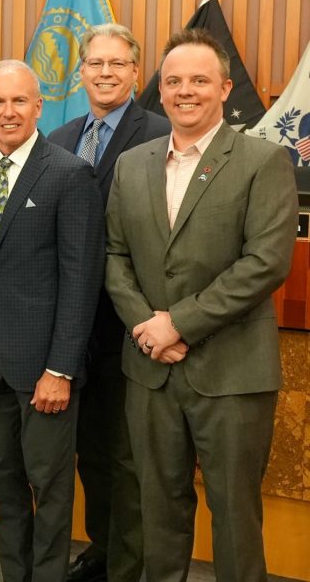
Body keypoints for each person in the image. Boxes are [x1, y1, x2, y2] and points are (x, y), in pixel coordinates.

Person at [105, 28, 296, 582]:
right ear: (158, 91)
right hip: (149, 370)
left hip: (232, 371)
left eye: (199, 80)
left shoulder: (263, 160)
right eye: (173, 81)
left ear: (225, 88)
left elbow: (265, 263)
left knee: (235, 516)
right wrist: (146, 324)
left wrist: (179, 323)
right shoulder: (131, 164)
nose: (185, 91)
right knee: (157, 512)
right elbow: (114, 256)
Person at [0, 60, 105, 582]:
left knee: (50, 486)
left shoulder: (69, 173)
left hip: (43, 370)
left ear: (39, 106)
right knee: (2, 482)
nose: (7, 112)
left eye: (19, 101)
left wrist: (61, 368)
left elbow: (81, 281)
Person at [47, 24, 170, 582]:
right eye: (94, 64)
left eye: (117, 64)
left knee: (128, 455)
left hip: (135, 319)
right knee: (91, 450)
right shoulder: (63, 135)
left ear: (136, 73)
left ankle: (129, 562)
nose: (104, 73)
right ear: (81, 73)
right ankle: (101, 547)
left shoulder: (163, 133)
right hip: (74, 326)